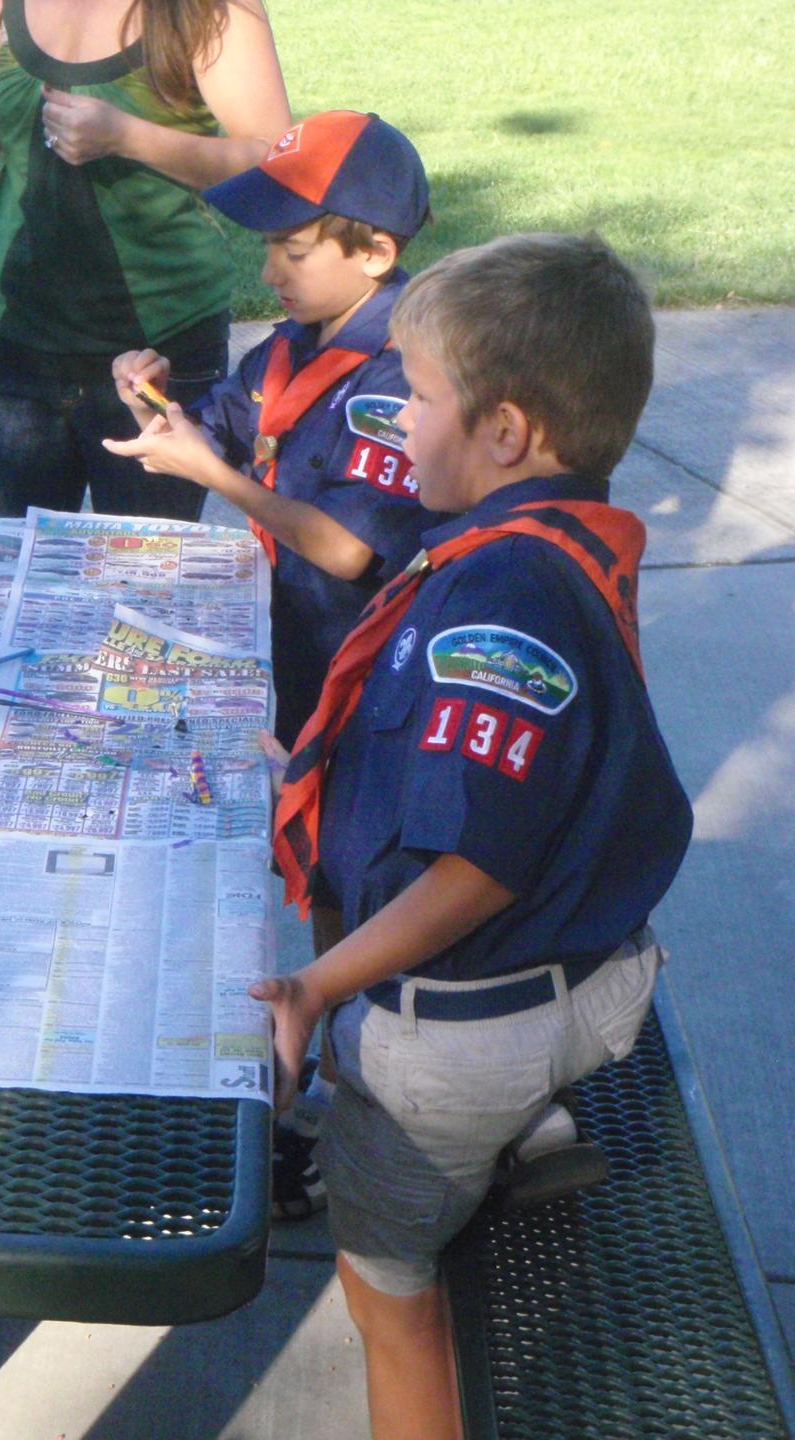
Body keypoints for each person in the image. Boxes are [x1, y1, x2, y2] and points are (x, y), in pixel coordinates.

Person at [253, 233, 693, 1439]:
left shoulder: (505, 600)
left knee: (388, 1288)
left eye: (418, 395)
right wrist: (302, 768)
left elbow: (481, 866)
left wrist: (314, 987)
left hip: (464, 1030)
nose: (395, 419)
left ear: (505, 432)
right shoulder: (539, 542)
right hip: (580, 974)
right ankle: (512, 1136)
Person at [105, 109, 436, 1223]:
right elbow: (229, 419)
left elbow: (346, 545)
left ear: (374, 252)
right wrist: (157, 400)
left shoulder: (396, 375)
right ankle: (339, 1085)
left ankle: (371, 1111)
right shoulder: (296, 345)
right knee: (329, 880)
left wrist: (220, 479)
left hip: (372, 685)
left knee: (368, 893)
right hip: (301, 661)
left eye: (293, 249)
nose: (270, 270)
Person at [0, 0, 289, 519]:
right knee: (10, 561)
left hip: (157, 351)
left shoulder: (212, 9)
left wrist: (129, 137)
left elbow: (273, 158)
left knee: (140, 566)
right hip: (9, 339)